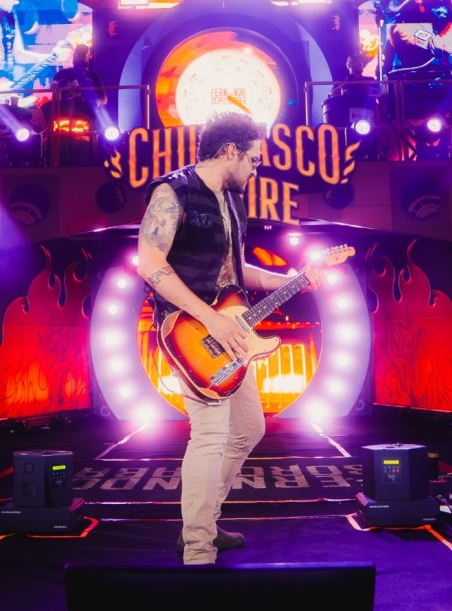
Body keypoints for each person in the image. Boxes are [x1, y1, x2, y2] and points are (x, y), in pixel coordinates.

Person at [135, 112, 324, 565]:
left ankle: (202, 523)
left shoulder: (233, 201)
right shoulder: (174, 191)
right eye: (253, 159)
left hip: (230, 331)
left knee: (249, 429)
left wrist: (291, 279)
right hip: (189, 333)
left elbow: (237, 271)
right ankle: (198, 550)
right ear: (229, 151)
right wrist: (210, 319)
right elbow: (150, 264)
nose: (256, 168)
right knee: (210, 435)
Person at [46, 43, 107, 127]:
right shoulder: (62, 73)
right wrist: (54, 85)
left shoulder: (93, 76)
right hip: (64, 110)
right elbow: (53, 86)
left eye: (85, 54)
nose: (82, 56)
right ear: (74, 55)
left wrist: (96, 102)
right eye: (79, 53)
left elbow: (103, 98)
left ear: (88, 56)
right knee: (47, 107)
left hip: (85, 111)